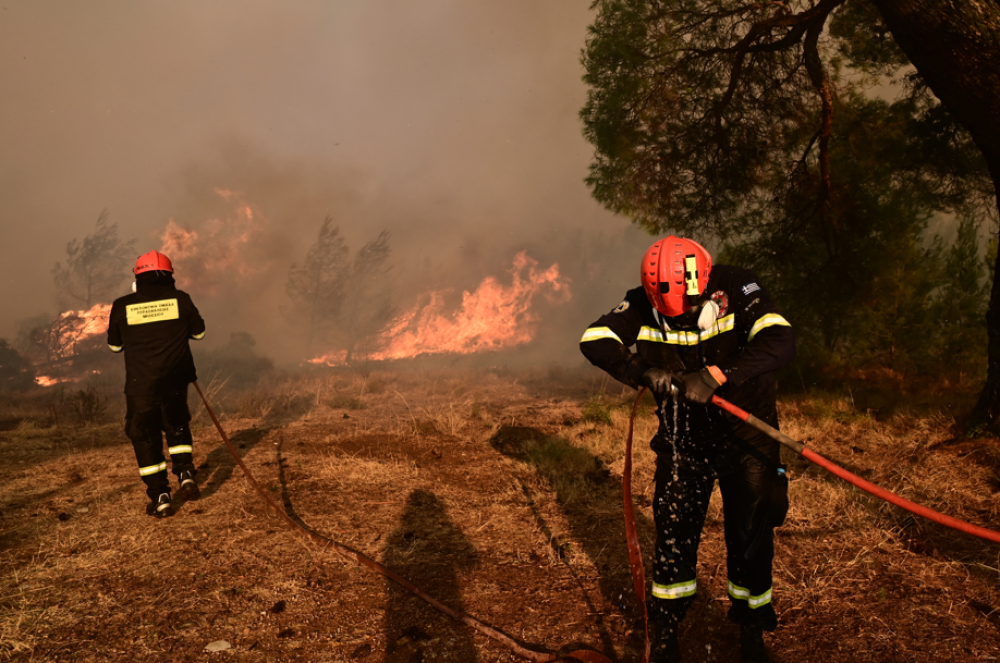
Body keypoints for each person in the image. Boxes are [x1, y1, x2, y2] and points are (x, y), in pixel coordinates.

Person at [580, 236, 795, 663]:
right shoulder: (641, 301)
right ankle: (666, 628)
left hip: (747, 438)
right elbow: (595, 339)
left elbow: (780, 342)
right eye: (667, 314)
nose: (678, 321)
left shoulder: (740, 287)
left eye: (688, 311)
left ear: (704, 283)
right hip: (684, 443)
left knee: (751, 534)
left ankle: (752, 631)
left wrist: (717, 374)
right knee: (674, 533)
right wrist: (642, 370)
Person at [107, 250, 206, 518]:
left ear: (138, 277)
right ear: (169, 276)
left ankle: (161, 497)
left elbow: (114, 346)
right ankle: (185, 473)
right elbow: (199, 332)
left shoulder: (122, 305)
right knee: (177, 426)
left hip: (141, 386)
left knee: (144, 435)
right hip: (175, 381)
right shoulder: (181, 299)